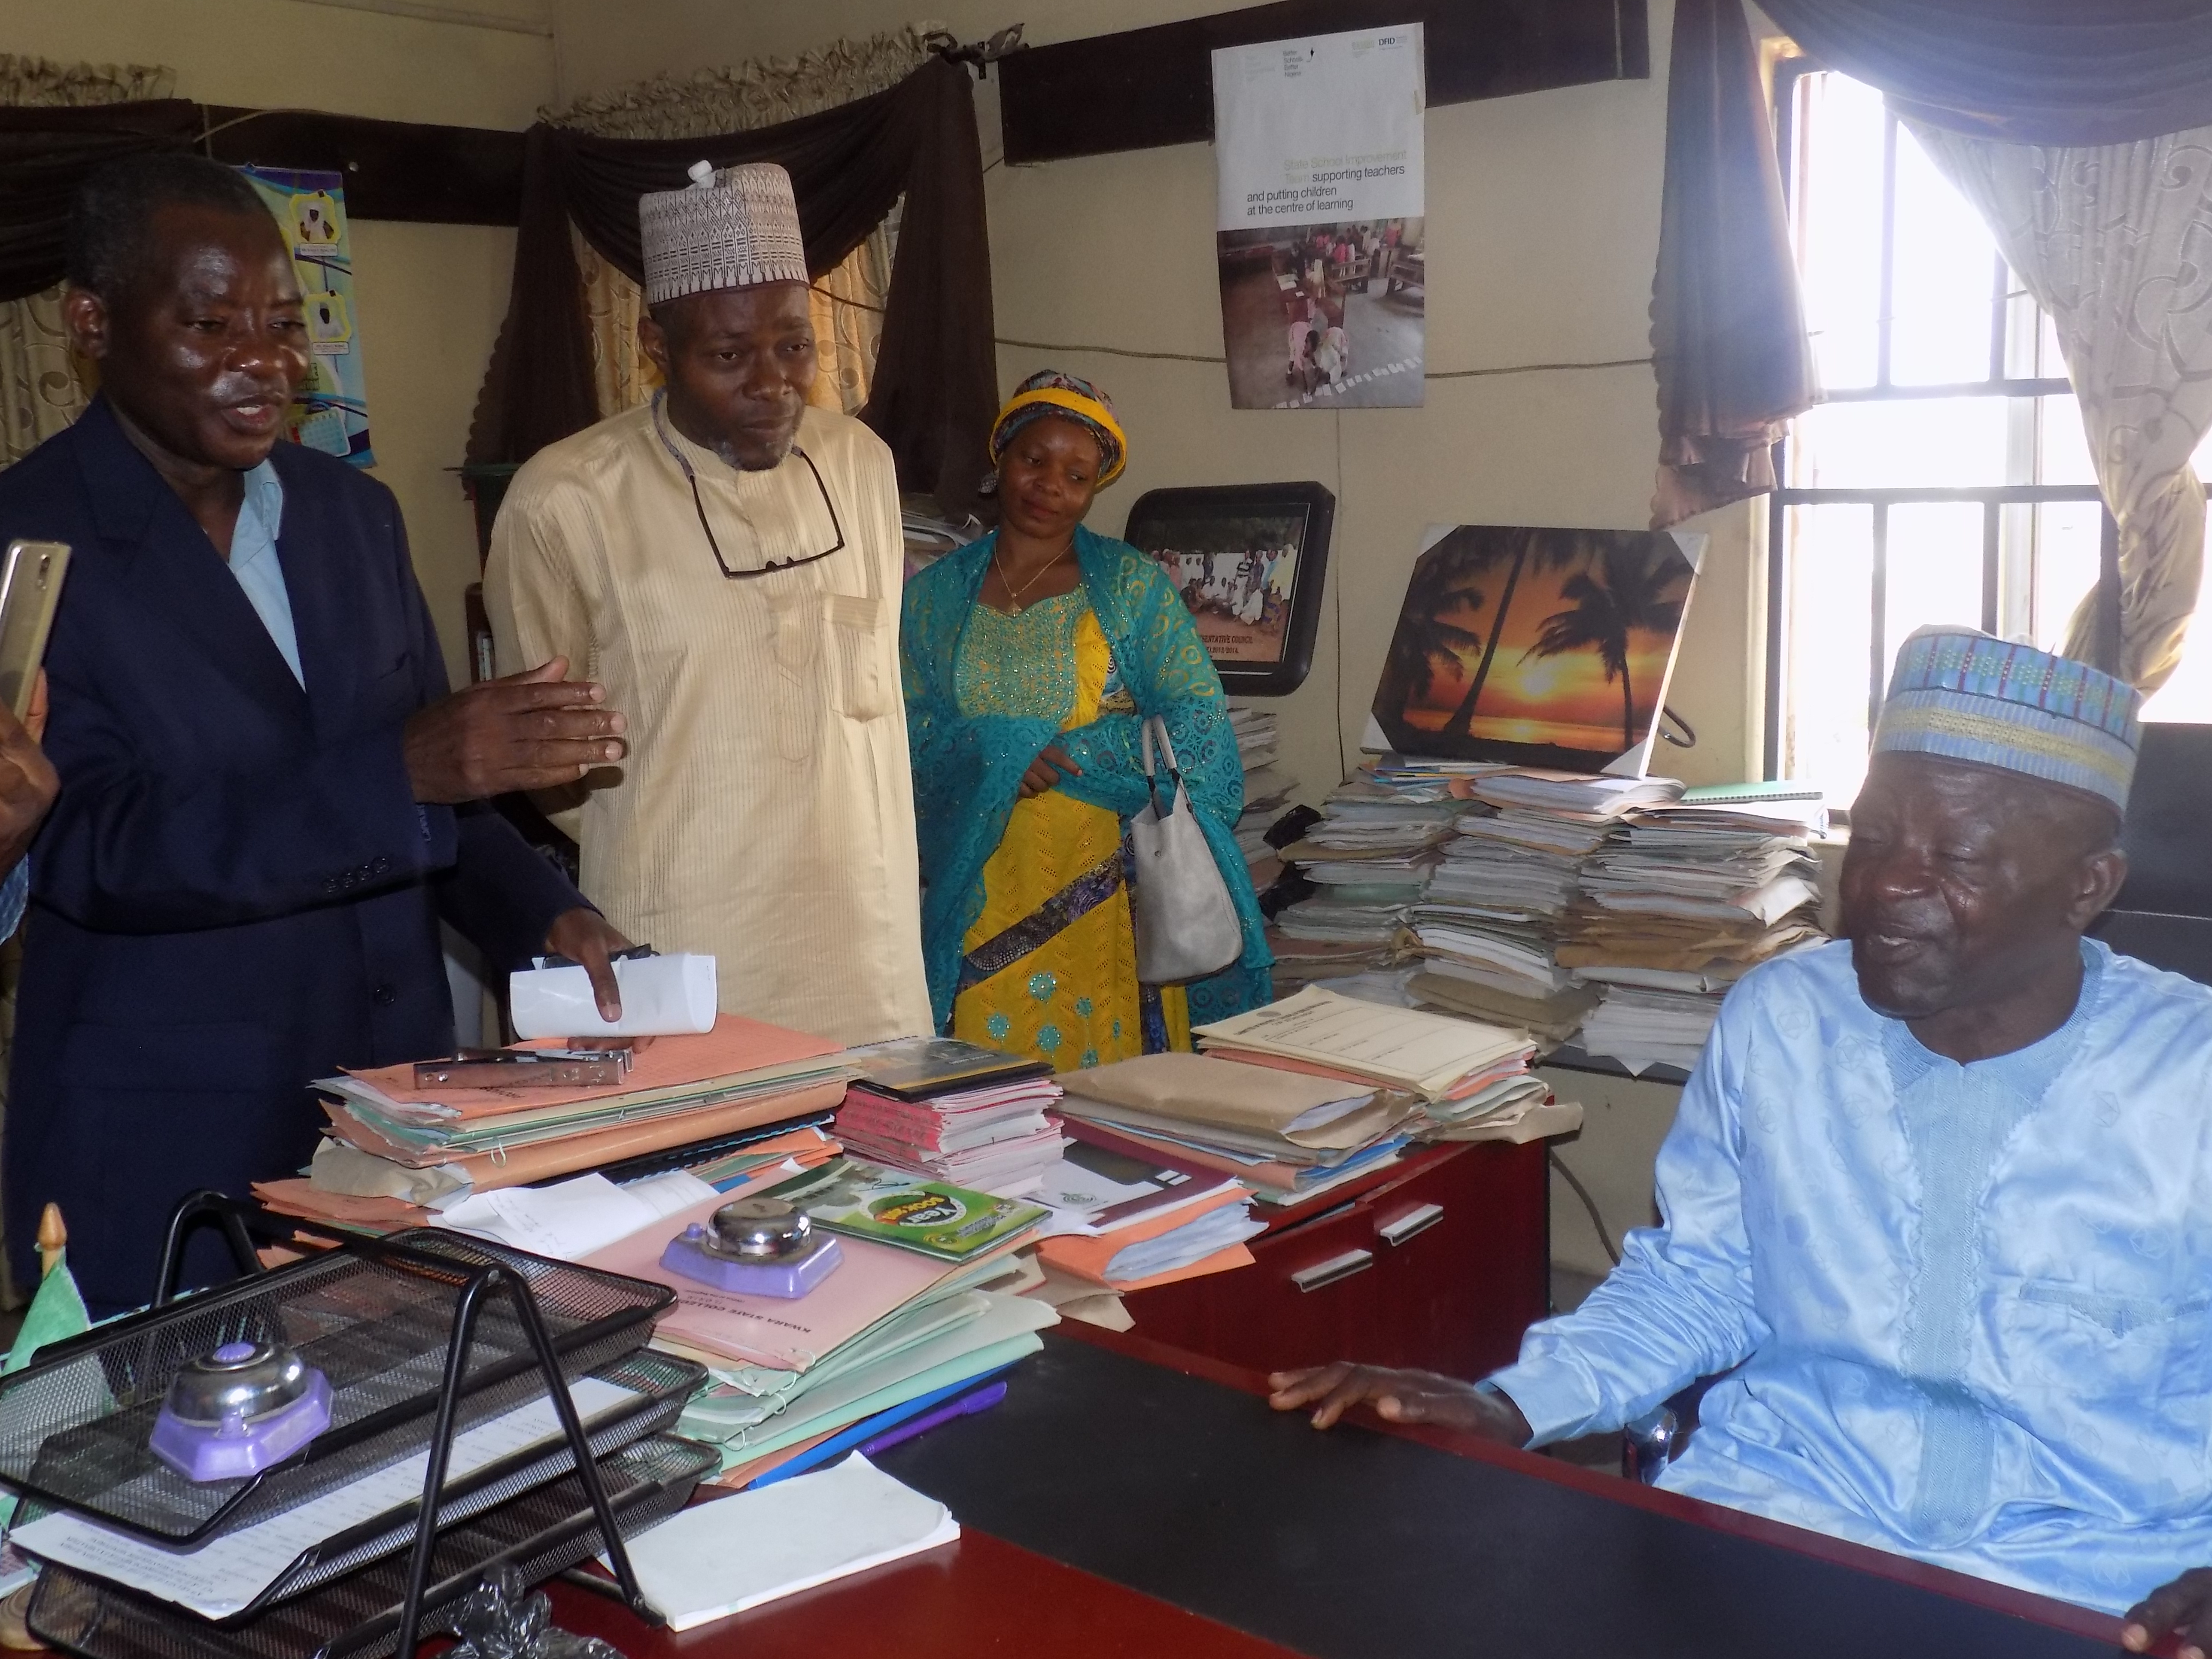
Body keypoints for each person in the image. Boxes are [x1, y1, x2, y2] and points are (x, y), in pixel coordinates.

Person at [1271, 626, 2212, 1641]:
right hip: (1781, 1523)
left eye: (1953, 857)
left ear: (2087, 889)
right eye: (1878, 834)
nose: (1885, 884)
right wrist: (1511, 1405)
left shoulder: (2190, 1076)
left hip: (2093, 1579)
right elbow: (1703, 1278)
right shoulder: (1782, 1018)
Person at [0, 153, 634, 1312]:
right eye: (211, 323)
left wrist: (543, 914)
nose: (266, 362)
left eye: (286, 324)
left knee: (404, 1463)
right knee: (180, 1486)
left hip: (392, 1126)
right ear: (91, 322)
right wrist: (409, 769)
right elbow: (96, 845)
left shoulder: (353, 515)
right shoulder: (26, 543)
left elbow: (440, 790)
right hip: (166, 1148)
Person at [486, 161, 930, 1048]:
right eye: (727, 356)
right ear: (655, 343)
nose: (771, 383)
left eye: (794, 346)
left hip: (865, 952)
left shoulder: (859, 464)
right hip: (684, 939)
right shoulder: (566, 499)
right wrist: (677, 809)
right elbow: (547, 773)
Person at [902, 371, 1271, 1072]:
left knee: (1105, 1089)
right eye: (1034, 460)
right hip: (979, 871)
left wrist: (1077, 752)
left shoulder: (1131, 587)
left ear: (1094, 489)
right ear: (1001, 457)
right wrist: (1000, 752)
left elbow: (1197, 718)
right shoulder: (933, 598)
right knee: (989, 1090)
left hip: (1103, 880)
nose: (1050, 485)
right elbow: (900, 725)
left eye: (1076, 475)